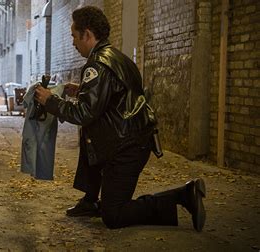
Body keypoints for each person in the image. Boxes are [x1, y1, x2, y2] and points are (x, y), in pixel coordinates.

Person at [34, 5, 206, 231]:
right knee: (91, 137)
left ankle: (184, 195)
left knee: (113, 216)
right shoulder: (117, 57)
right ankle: (90, 201)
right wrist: (83, 90)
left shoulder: (97, 64)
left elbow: (83, 113)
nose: (73, 43)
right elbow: (115, 95)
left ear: (87, 34)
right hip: (131, 138)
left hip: (128, 147)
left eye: (74, 37)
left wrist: (50, 101)